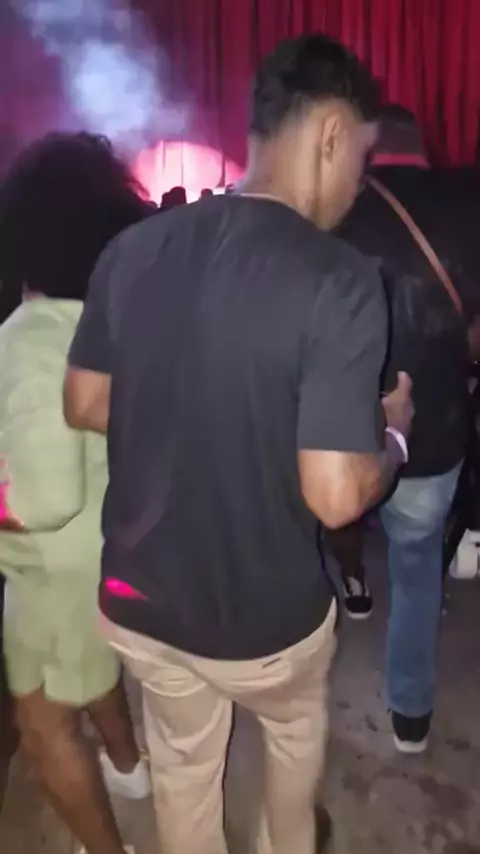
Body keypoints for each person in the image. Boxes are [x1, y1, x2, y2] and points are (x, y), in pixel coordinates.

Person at [64, 35, 413, 854]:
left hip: (139, 601)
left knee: (185, 770)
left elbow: (85, 402)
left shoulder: (134, 248)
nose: (359, 182)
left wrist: (196, 405)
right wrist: (393, 433)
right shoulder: (339, 280)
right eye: (361, 158)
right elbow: (334, 494)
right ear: (331, 134)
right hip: (266, 623)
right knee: (292, 746)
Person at [0, 132, 153, 854]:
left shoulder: (29, 338)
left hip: (54, 566)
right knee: (90, 667)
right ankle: (129, 767)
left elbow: (43, 500)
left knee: (42, 725)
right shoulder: (113, 321)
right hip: (112, 543)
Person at [327, 106, 480, 753]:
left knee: (326, 520)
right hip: (434, 429)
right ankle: (409, 713)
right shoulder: (468, 203)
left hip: (344, 424)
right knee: (416, 566)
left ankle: (348, 598)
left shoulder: (333, 211)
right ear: (422, 147)